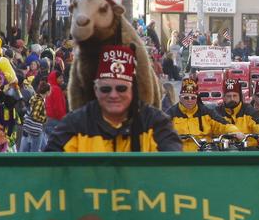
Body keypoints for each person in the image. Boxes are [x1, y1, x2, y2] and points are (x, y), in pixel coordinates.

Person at [45, 45, 181, 153]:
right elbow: (49, 169)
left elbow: (173, 167)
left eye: (121, 88)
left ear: (133, 89)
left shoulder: (156, 123)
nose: (113, 95)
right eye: (106, 89)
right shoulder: (75, 124)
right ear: (95, 90)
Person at [169, 78, 238, 151]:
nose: (190, 100)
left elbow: (224, 124)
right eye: (186, 97)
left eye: (193, 98)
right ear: (180, 98)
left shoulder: (206, 112)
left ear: (197, 98)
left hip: (204, 155)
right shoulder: (171, 114)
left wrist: (235, 132)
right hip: (179, 156)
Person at [216, 78, 259, 146]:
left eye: (235, 95)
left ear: (240, 96)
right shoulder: (217, 112)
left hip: (247, 150)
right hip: (222, 151)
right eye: (228, 96)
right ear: (223, 97)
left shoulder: (248, 110)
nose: (232, 99)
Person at [19, 79, 49, 153]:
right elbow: (35, 115)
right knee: (34, 151)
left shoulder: (34, 97)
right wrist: (44, 119)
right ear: (47, 92)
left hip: (28, 126)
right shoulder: (40, 101)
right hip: (35, 129)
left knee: (25, 149)